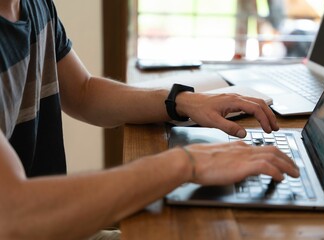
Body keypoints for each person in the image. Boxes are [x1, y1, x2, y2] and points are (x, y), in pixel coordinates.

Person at [0, 0, 300, 239]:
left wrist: (180, 101)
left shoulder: (33, 5)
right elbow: (14, 215)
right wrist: (187, 163)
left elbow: (83, 92)